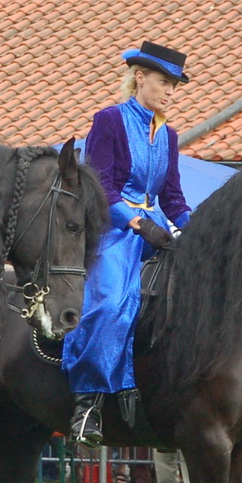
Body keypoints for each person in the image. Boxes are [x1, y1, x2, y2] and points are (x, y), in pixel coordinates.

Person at [62, 41, 192, 444]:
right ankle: (88, 405)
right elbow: (100, 186)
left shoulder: (168, 134)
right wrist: (135, 222)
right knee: (109, 304)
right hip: (114, 228)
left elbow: (171, 197)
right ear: (140, 77)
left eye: (175, 86)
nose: (170, 92)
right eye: (164, 82)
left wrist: (196, 228)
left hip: (155, 226)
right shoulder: (109, 121)